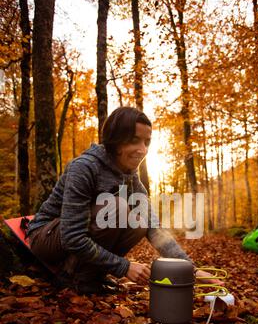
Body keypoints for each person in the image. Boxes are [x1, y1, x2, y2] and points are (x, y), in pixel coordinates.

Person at [27, 106, 222, 294]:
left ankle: (88, 277)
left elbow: (156, 230)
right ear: (116, 140)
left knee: (140, 221)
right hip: (46, 238)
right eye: (134, 140)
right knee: (116, 207)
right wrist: (124, 267)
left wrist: (192, 269)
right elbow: (72, 236)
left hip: (72, 240)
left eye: (147, 142)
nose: (142, 149)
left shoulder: (131, 178)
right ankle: (68, 275)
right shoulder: (84, 168)